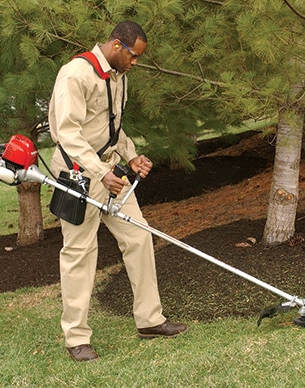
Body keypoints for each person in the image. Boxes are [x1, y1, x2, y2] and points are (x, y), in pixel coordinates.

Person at [48, 20, 187, 362]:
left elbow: (112, 128)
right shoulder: (75, 74)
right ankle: (76, 338)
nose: (135, 63)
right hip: (78, 172)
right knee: (80, 252)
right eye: (134, 56)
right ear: (116, 46)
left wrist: (131, 155)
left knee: (139, 237)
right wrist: (100, 172)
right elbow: (67, 133)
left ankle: (150, 320)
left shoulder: (117, 76)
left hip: (110, 169)